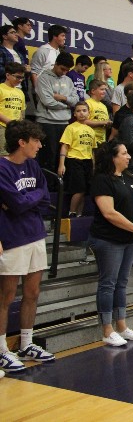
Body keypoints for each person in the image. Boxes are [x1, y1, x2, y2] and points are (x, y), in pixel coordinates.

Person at [0, 120, 55, 373]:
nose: (40, 145)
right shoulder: (2, 167)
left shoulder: (33, 165)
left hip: (35, 234)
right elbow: (18, 202)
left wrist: (24, 201)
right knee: (6, 296)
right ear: (21, 142)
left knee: (32, 293)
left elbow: (44, 198)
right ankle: (2, 349)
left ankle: (26, 343)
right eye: (36, 141)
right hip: (12, 238)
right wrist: (24, 202)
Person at [88, 139, 133, 347]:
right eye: (124, 153)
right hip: (108, 239)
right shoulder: (102, 180)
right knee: (108, 283)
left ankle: (122, 326)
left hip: (129, 239)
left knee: (122, 283)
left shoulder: (129, 177)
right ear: (113, 157)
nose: (129, 156)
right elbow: (109, 213)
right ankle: (107, 329)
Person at [36, 52, 79, 179]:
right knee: (48, 156)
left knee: (61, 157)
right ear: (55, 64)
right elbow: (48, 101)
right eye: (62, 69)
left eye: (67, 70)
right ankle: (47, 187)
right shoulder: (44, 78)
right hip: (47, 122)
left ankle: (58, 186)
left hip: (64, 123)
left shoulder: (68, 80)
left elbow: (75, 100)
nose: (64, 72)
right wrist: (67, 104)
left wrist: (62, 97)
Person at [58, 101, 97, 217]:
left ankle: (79, 214)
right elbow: (64, 146)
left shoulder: (91, 130)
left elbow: (92, 150)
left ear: (89, 113)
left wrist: (94, 166)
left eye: (84, 111)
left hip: (87, 161)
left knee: (84, 191)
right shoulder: (70, 128)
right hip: (74, 160)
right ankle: (72, 212)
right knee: (79, 189)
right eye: (78, 111)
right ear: (74, 113)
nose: (81, 113)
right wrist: (61, 164)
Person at [0, 62, 26, 157]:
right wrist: (10, 122)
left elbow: (22, 112)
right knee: (3, 153)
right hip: (2, 127)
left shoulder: (20, 92)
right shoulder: (1, 88)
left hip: (15, 129)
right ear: (8, 75)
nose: (20, 80)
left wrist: (19, 126)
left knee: (13, 153)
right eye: (17, 77)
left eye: (22, 78)